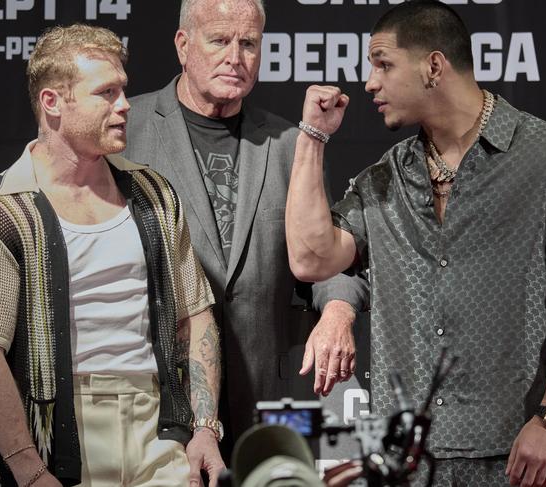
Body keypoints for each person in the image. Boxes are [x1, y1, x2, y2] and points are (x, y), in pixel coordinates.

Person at [285, 1, 546, 486]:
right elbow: (311, 258)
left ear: (434, 66)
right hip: (412, 462)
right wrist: (312, 137)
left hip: (522, 456)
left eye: (383, 64)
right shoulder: (385, 179)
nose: (370, 82)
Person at [0, 24, 224, 487]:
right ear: (53, 103)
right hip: (59, 439)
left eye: (124, 90)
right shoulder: (1, 215)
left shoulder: (152, 194)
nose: (124, 106)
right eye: (106, 93)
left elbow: (194, 315)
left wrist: (205, 429)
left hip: (159, 429)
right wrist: (29, 470)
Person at [124, 0, 369, 456]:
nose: (235, 57)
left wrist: (338, 310)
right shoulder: (125, 130)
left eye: (248, 43)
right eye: (219, 40)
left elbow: (323, 253)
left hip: (264, 400)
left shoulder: (290, 142)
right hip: (159, 404)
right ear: (183, 45)